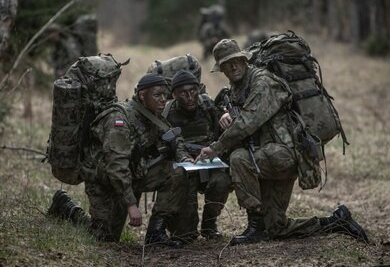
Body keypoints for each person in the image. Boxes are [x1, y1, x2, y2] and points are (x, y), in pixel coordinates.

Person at [196, 39, 368, 245]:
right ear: (221, 69)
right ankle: (336, 221)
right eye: (226, 64)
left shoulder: (263, 82)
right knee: (277, 227)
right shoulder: (236, 88)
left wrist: (215, 148)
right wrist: (225, 113)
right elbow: (238, 111)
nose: (233, 66)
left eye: (236, 61)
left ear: (244, 60)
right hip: (266, 156)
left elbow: (248, 122)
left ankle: (255, 226)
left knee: (239, 158)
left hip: (285, 154)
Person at [47, 73, 192, 247]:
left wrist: (184, 156)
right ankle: (66, 207)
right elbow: (116, 166)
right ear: (141, 95)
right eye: (157, 95)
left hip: (132, 175)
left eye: (165, 95)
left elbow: (174, 137)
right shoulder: (119, 119)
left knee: (176, 172)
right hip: (105, 181)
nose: (163, 100)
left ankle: (156, 233)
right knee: (104, 237)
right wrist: (131, 204)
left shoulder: (153, 114)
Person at [163, 70, 232, 242]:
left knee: (221, 182)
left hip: (208, 161)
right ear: (174, 94)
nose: (190, 97)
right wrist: (183, 158)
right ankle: (184, 228)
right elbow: (168, 141)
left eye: (193, 91)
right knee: (185, 233)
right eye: (183, 93)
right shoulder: (166, 112)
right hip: (182, 165)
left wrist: (224, 115)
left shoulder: (207, 105)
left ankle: (209, 224)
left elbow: (221, 120)